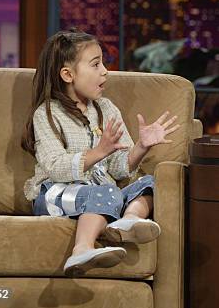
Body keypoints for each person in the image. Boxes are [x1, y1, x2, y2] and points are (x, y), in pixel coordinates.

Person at [21, 28, 180, 276]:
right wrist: (98, 151)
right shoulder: (47, 114)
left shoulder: (106, 109)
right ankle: (81, 250)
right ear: (68, 74)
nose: (105, 71)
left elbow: (118, 166)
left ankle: (129, 221)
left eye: (102, 63)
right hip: (54, 194)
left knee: (151, 183)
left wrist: (141, 146)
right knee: (105, 192)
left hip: (104, 193)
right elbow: (55, 167)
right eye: (95, 64)